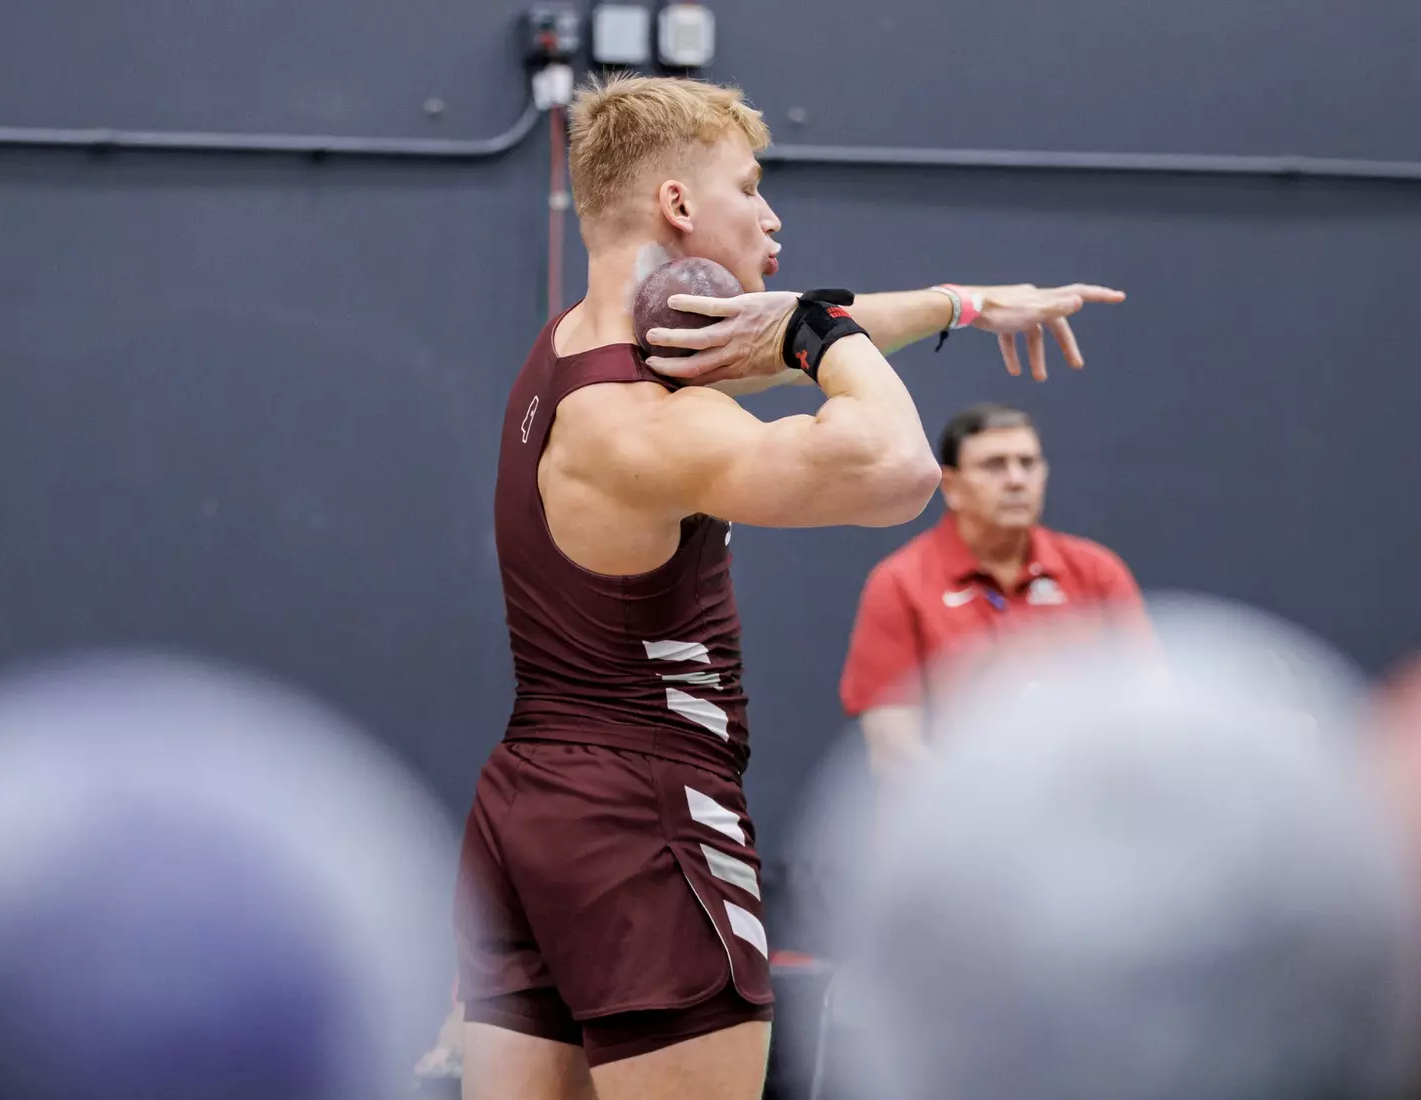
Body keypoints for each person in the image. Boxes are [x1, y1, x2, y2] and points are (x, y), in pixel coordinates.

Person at [455, 73, 1125, 1100]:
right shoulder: (652, 426)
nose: (772, 217)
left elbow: (770, 334)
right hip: (645, 815)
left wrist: (967, 304)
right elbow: (897, 469)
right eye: (749, 186)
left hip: (526, 807)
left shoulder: (569, 352)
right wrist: (818, 341)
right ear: (679, 204)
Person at [839, 403, 1150, 778]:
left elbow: (1151, 707)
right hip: (965, 819)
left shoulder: (1097, 572)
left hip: (1086, 810)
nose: (1017, 479)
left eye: (1028, 463)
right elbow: (894, 749)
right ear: (951, 486)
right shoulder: (899, 583)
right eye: (995, 465)